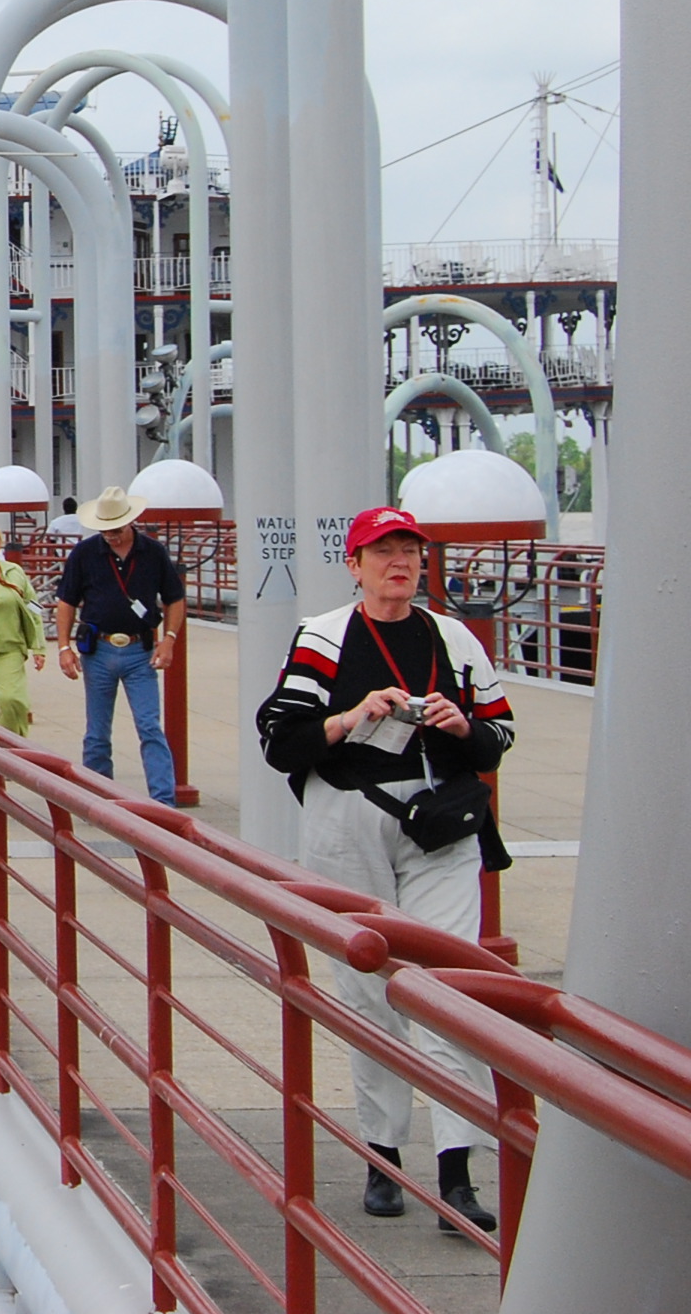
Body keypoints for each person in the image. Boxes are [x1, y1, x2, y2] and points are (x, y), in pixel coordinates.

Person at [254, 505, 515, 1235]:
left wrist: (463, 726)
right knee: (367, 989)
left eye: (409, 550)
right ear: (355, 564)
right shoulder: (324, 636)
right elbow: (280, 740)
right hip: (346, 822)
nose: (399, 563)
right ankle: (383, 1157)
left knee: (449, 986)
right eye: (383, 551)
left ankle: (458, 1172)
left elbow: (500, 734)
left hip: (440, 823)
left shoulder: (453, 638)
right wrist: (351, 717)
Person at [52, 485, 187, 806]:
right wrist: (64, 647)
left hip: (140, 650)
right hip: (98, 649)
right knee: (97, 731)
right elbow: (66, 601)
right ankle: (99, 799)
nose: (111, 536)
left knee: (149, 726)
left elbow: (174, 598)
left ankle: (163, 801)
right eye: (105, 530)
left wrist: (169, 639)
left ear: (130, 522)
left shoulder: (153, 552)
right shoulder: (85, 553)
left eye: (116, 530)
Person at [0, 519, 44, 735]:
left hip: (10, 646)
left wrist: (39, 647)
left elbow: (33, 608)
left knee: (11, 700)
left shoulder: (14, 572)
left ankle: (15, 744)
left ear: (0, 545)